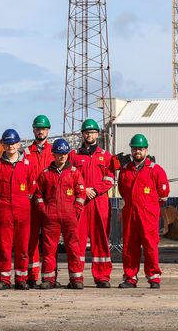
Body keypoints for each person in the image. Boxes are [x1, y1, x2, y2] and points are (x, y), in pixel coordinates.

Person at [117, 133, 170, 289]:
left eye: (140, 149)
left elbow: (164, 194)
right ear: (131, 150)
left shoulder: (156, 170)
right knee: (129, 246)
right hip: (130, 214)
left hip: (148, 216)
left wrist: (150, 207)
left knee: (150, 246)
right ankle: (130, 278)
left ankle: (154, 277)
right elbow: (122, 190)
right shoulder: (125, 170)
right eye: (134, 149)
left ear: (146, 150)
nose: (137, 152)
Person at [0, 128, 37, 290]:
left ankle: (21, 278)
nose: (11, 146)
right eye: (7, 143)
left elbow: (32, 186)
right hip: (3, 211)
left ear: (18, 143)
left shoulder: (27, 165)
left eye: (13, 143)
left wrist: (24, 200)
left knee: (22, 246)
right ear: (2, 144)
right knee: (4, 246)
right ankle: (3, 278)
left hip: (23, 210)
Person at [35, 137, 86, 289]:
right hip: (51, 217)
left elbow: (81, 193)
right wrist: (45, 211)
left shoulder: (74, 173)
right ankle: (48, 279)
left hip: (70, 217)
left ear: (68, 154)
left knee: (73, 247)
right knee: (49, 249)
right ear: (53, 154)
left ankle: (76, 279)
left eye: (64, 154)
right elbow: (38, 195)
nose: (62, 156)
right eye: (59, 153)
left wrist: (75, 210)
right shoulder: (45, 174)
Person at [71, 118, 117, 287]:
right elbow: (70, 178)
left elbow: (110, 179)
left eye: (92, 132)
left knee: (101, 240)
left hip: (99, 203)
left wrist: (95, 190)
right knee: (78, 241)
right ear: (82, 134)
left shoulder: (106, 157)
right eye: (86, 132)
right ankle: (76, 277)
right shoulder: (74, 156)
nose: (89, 134)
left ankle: (102, 277)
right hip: (81, 203)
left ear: (97, 134)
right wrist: (84, 191)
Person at [25, 114, 53, 286]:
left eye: (43, 128)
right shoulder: (26, 153)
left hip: (50, 202)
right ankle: (31, 276)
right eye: (38, 128)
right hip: (32, 203)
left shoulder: (55, 151)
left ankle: (50, 277)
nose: (40, 131)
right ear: (33, 130)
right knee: (31, 240)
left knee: (50, 241)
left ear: (48, 130)